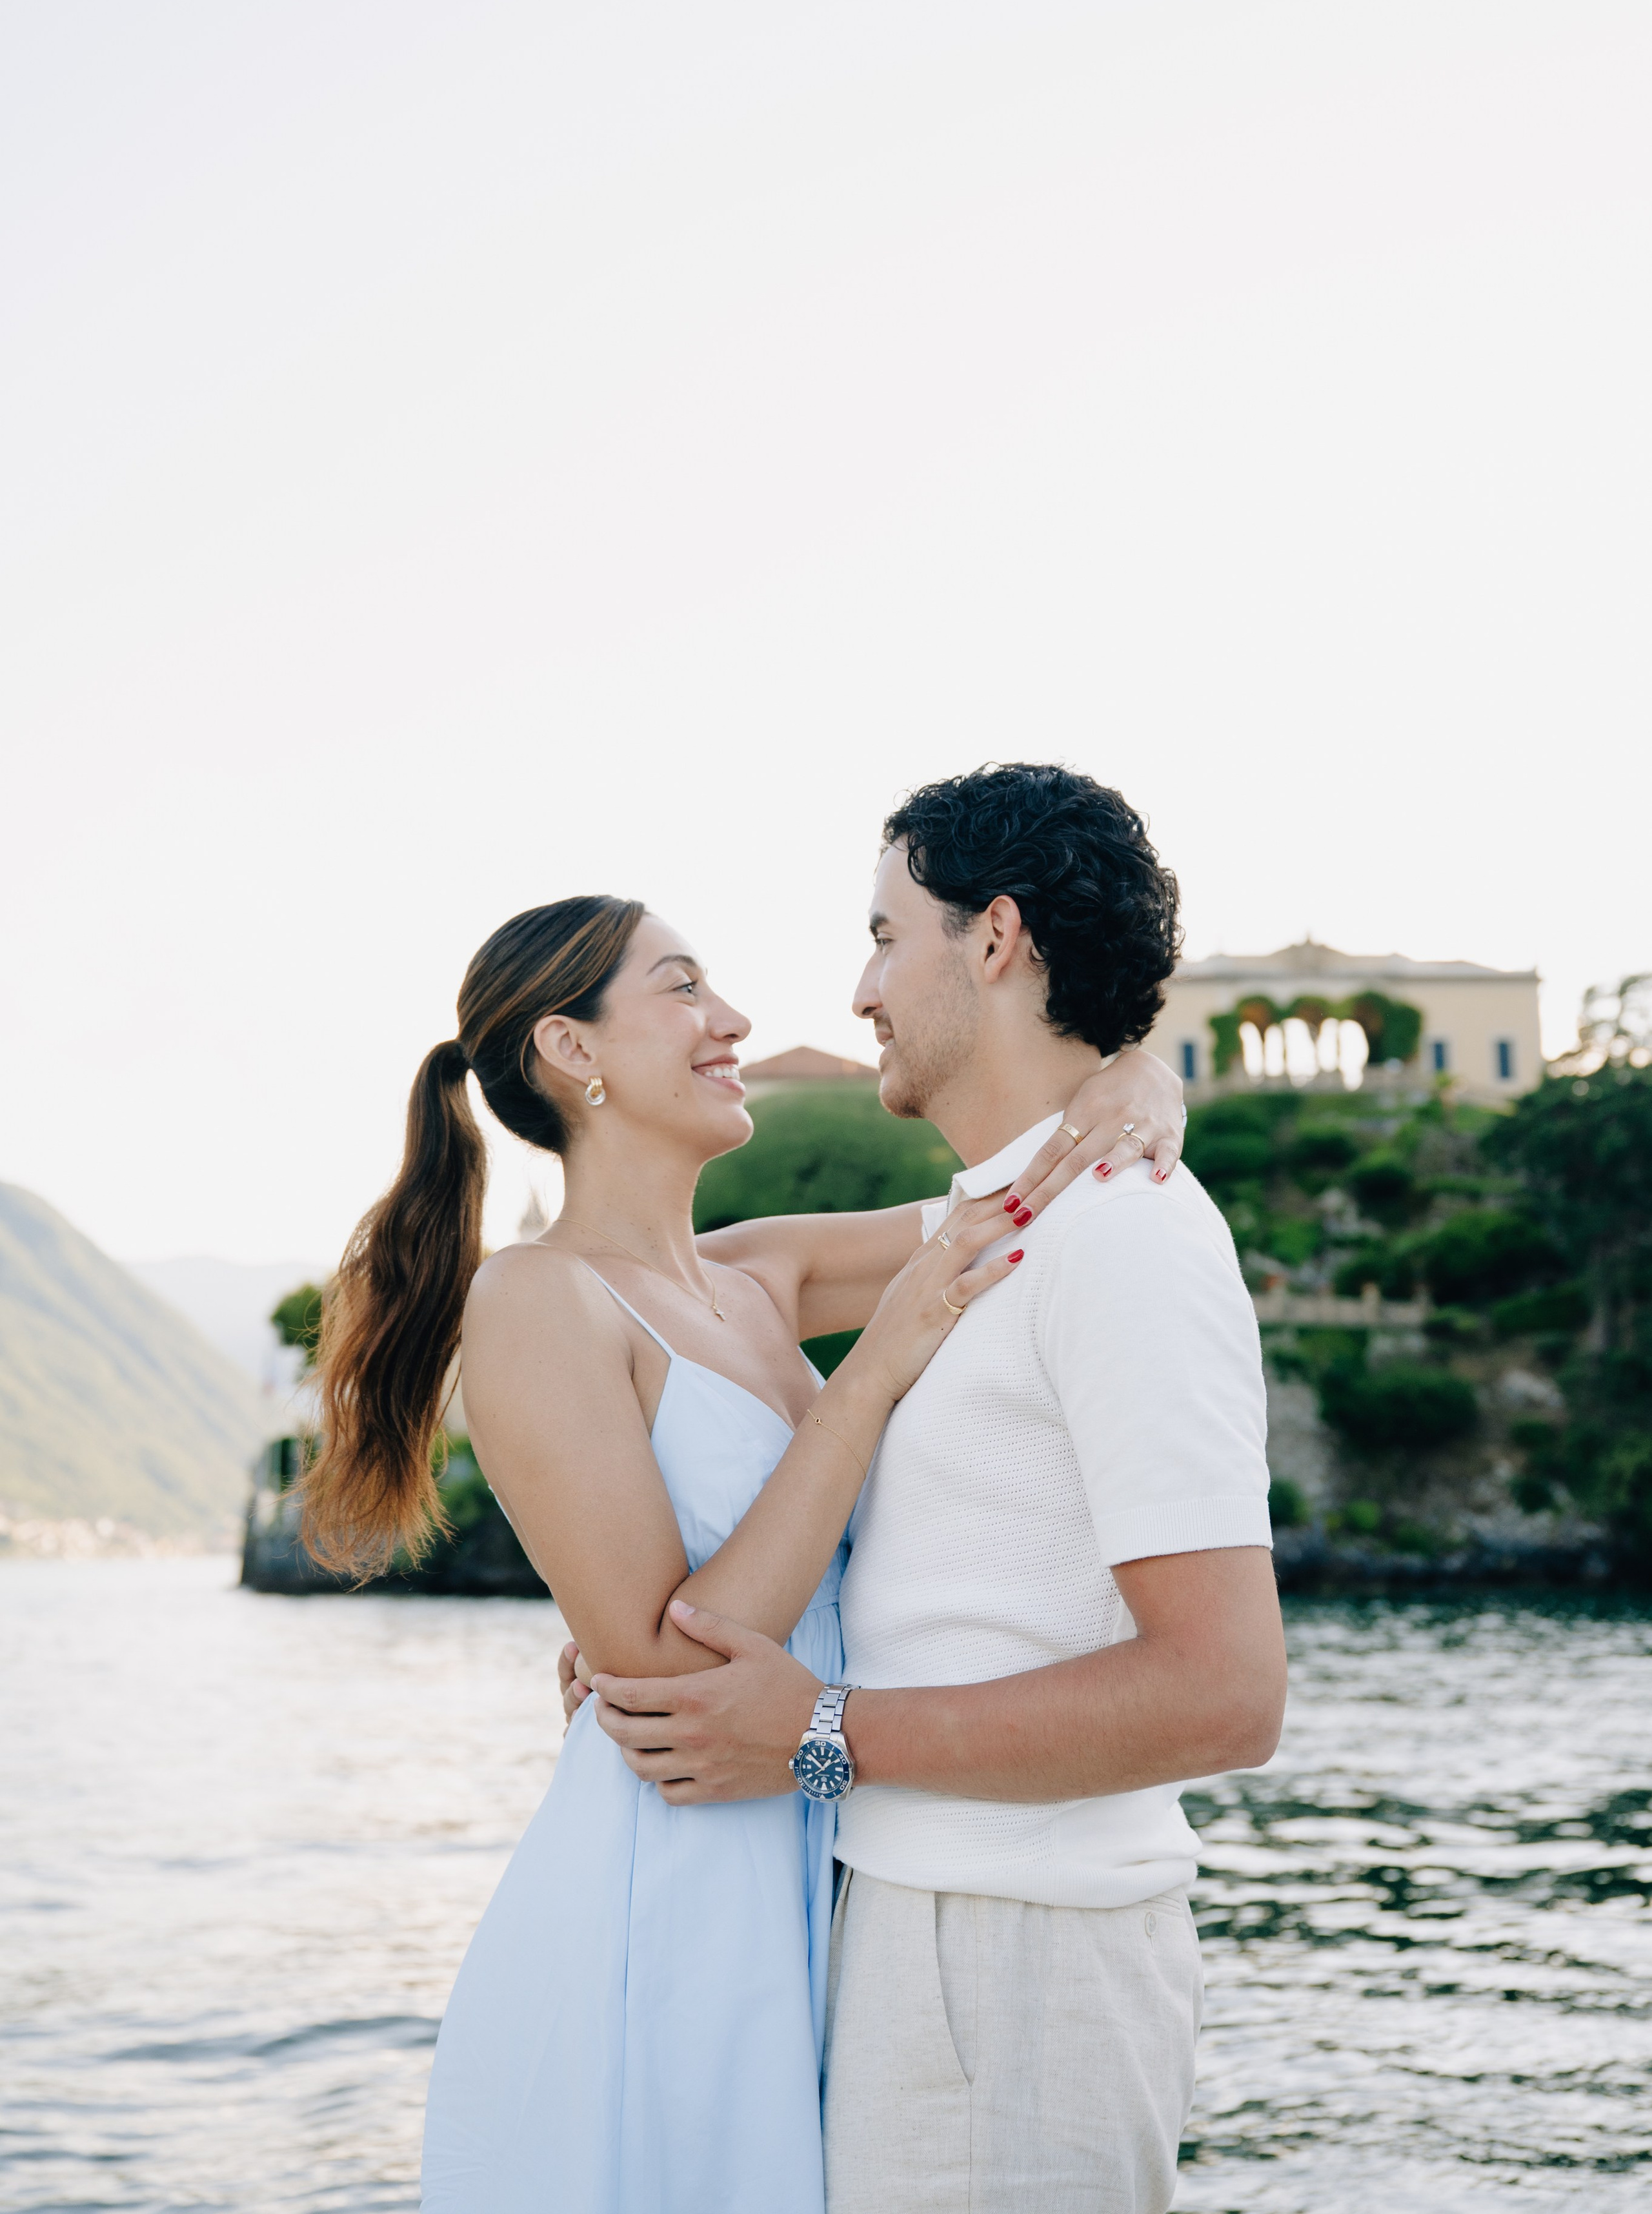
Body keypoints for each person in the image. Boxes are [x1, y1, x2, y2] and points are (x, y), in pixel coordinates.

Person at [298, 883, 1187, 2214]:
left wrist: (1138, 1078)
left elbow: (1015, 1209)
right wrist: (866, 1375)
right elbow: (668, 1661)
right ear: (572, 1049)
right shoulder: (535, 1299)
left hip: (817, 1854)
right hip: (671, 1888)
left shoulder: (755, 1275)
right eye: (681, 988)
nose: (733, 1021)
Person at [574, 764, 1287, 2214]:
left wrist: (814, 1734)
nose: (858, 988)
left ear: (995, 937)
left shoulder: (1124, 1234)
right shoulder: (1015, 1215)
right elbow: (720, 1289)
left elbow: (1226, 1692)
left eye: (887, 933)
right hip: (930, 1929)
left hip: (1015, 1955)